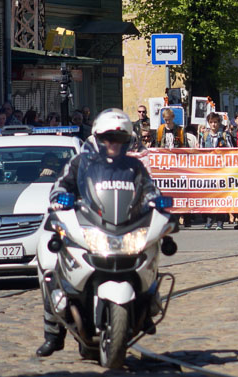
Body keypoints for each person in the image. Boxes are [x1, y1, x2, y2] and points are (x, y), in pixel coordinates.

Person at [37, 109, 161, 357]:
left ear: (127, 140)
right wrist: (59, 200)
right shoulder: (81, 162)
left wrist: (156, 203)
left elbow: (149, 190)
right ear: (97, 137)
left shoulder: (134, 167)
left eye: (119, 138)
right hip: (87, 224)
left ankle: (146, 305)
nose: (113, 143)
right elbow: (60, 185)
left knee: (152, 247)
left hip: (123, 227)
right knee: (49, 262)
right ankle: (53, 333)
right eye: (108, 137)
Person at [198, 113, 233, 230]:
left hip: (221, 169)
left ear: (219, 123)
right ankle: (209, 218)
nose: (213, 124)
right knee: (209, 195)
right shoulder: (204, 135)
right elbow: (201, 152)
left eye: (216, 122)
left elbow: (231, 150)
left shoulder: (224, 135)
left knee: (221, 195)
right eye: (211, 122)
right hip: (209, 169)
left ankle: (220, 220)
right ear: (208, 123)